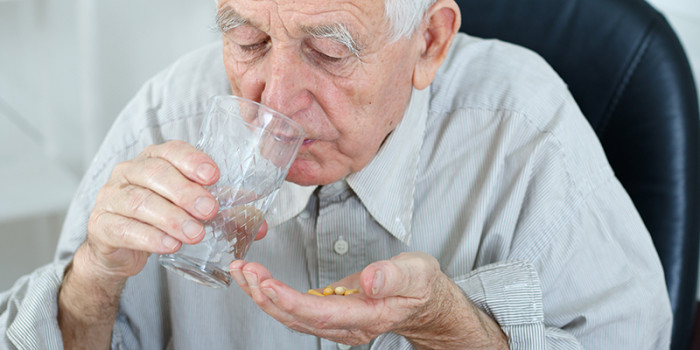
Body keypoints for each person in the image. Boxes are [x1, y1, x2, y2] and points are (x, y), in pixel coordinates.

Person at [0, 0, 673, 348]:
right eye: (248, 40)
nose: (274, 97)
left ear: (430, 44)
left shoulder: (524, 132)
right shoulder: (170, 113)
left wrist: (450, 326)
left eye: (327, 52)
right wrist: (91, 280)